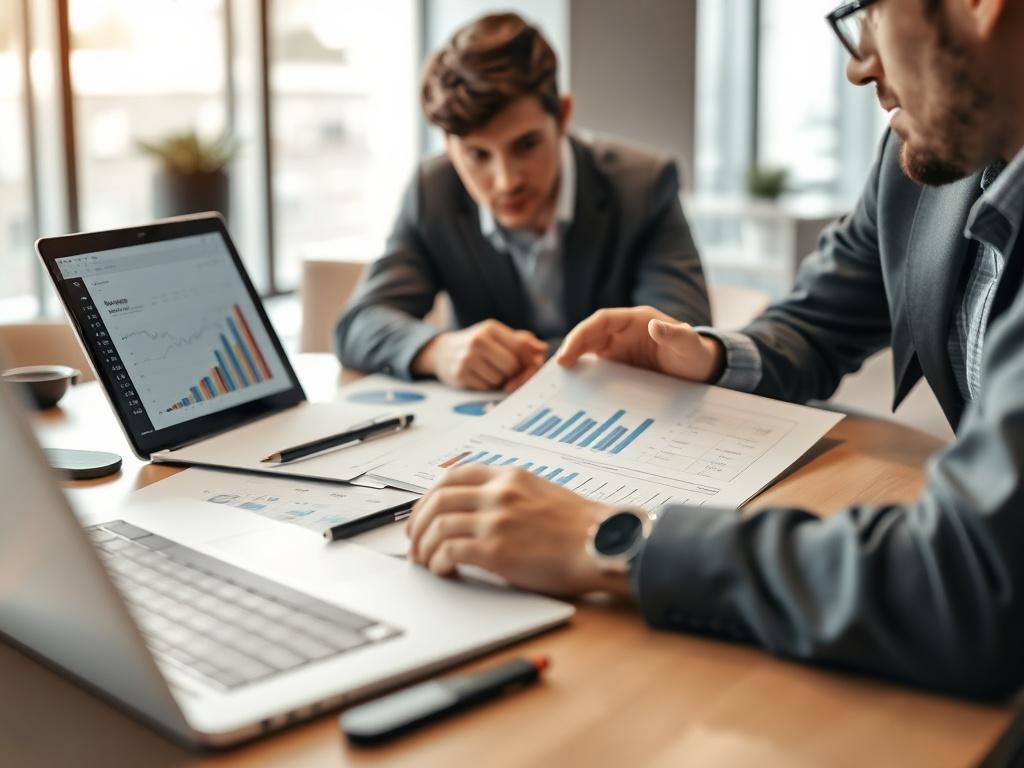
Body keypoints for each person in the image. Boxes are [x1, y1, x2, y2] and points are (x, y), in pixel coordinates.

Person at [407, 0, 1024, 698]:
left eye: (869, 11)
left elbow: (968, 585)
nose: (859, 65)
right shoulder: (925, 153)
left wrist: (606, 538)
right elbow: (818, 321)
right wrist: (705, 356)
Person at [335, 12, 710, 392]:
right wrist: (436, 349)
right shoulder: (433, 192)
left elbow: (679, 334)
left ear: (562, 116)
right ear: (448, 145)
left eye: (526, 145)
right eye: (478, 155)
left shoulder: (643, 185)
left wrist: (544, 360)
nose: (506, 180)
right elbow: (360, 323)